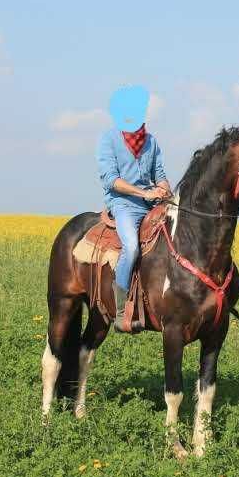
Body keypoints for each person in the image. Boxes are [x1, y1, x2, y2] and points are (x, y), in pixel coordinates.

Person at [96, 86, 171, 327]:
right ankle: (120, 313)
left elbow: (159, 173)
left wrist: (164, 188)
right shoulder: (108, 139)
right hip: (123, 205)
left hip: (150, 203)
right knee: (132, 248)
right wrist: (144, 192)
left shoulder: (151, 141)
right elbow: (111, 180)